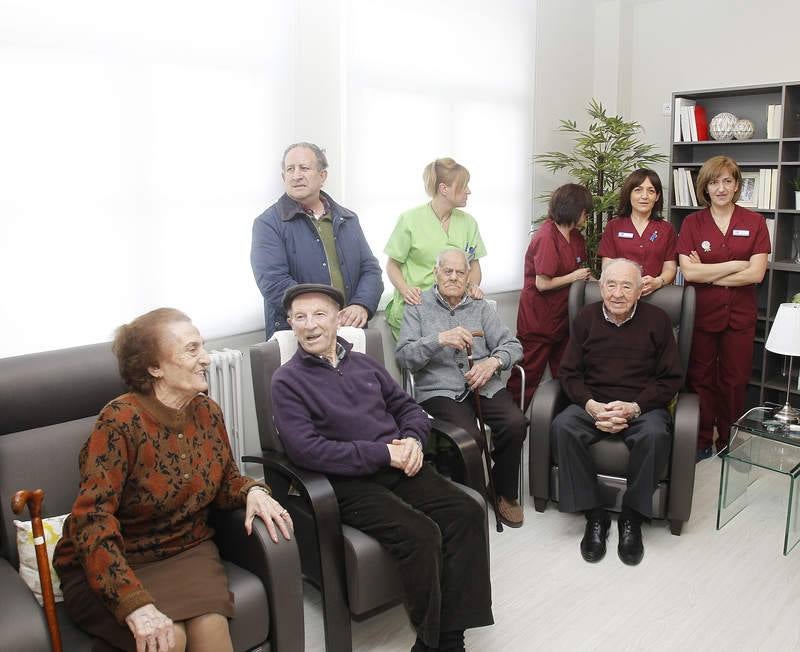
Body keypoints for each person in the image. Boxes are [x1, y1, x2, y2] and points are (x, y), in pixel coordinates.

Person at [53, 308, 293, 652]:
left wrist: (252, 490)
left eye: (203, 347)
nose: (206, 359)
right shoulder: (119, 422)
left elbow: (224, 482)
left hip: (185, 550)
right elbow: (92, 521)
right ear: (154, 367)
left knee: (211, 629)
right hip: (118, 560)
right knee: (169, 639)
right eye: (192, 350)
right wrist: (133, 603)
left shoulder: (207, 412)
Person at [271, 283, 493, 652]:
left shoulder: (365, 365)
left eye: (319, 315)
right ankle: (437, 641)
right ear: (291, 324)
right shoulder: (287, 380)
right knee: (419, 533)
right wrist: (382, 453)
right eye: (300, 317)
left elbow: (408, 408)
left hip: (399, 463)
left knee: (467, 510)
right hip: (346, 482)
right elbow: (306, 450)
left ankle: (447, 639)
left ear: (338, 320)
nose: (310, 325)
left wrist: (413, 441)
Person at [552, 259, 682, 566]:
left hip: (641, 405)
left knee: (655, 433)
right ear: (601, 288)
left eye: (627, 286)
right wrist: (591, 406)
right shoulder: (586, 318)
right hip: (595, 403)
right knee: (563, 426)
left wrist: (634, 408)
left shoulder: (658, 320)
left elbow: (671, 379)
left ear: (640, 290)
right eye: (611, 285)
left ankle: (631, 519)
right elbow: (568, 373)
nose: (618, 293)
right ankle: (595, 515)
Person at [396, 248, 527, 528]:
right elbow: (404, 356)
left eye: (460, 272)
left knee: (516, 423)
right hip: (439, 389)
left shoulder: (480, 307)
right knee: (468, 436)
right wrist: (438, 339)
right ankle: (470, 500)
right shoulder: (417, 305)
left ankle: (502, 490)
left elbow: (513, 346)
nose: (454, 277)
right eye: (448, 271)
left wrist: (493, 362)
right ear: (436, 273)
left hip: (484, 385)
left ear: (469, 277)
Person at [677, 155, 770, 461]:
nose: (721, 188)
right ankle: (702, 439)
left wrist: (711, 275)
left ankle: (728, 439)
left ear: (737, 186)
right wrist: (733, 267)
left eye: (727, 181)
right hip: (701, 314)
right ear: (705, 187)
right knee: (700, 377)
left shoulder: (754, 223)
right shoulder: (692, 223)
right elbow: (690, 273)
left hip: (739, 316)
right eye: (714, 182)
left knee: (734, 379)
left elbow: (756, 274)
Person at [250, 141, 383, 339]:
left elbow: (370, 269)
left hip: (349, 331)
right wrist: (322, 316)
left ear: (323, 176)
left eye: (304, 168)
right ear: (283, 176)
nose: (296, 176)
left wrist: (361, 305)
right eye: (290, 169)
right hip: (300, 335)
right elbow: (273, 282)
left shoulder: (348, 219)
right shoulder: (268, 223)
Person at [507, 183, 592, 411]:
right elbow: (542, 283)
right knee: (527, 377)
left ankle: (560, 427)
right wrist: (574, 276)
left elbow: (580, 272)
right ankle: (510, 426)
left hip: (563, 320)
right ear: (574, 209)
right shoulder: (546, 236)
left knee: (567, 374)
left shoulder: (575, 238)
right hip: (539, 321)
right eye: (585, 211)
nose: (587, 216)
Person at [384, 157, 487, 339]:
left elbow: (474, 265)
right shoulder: (410, 220)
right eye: (464, 186)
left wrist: (473, 286)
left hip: (453, 310)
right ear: (444, 189)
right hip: (417, 309)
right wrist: (405, 289)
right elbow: (392, 265)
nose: (469, 191)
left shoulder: (469, 223)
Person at [598, 168, 677, 295]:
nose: (644, 196)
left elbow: (670, 267)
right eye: (638, 190)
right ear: (629, 194)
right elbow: (607, 266)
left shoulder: (667, 229)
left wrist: (658, 281)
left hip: (655, 295)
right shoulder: (614, 226)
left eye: (651, 191)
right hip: (620, 294)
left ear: (657, 196)